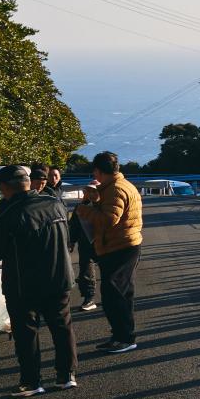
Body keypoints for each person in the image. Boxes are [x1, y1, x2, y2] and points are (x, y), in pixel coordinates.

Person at [0, 164, 78, 396]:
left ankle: (31, 382)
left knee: (26, 331)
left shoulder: (10, 211)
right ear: (28, 183)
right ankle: (66, 375)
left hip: (24, 282)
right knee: (62, 326)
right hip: (60, 275)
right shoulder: (55, 203)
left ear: (4, 187)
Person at [74, 151, 143, 353]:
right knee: (119, 292)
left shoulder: (115, 189)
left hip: (119, 246)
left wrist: (83, 209)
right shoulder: (119, 186)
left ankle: (125, 338)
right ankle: (121, 336)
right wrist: (95, 200)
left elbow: (108, 219)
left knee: (115, 294)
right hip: (124, 244)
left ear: (98, 171)